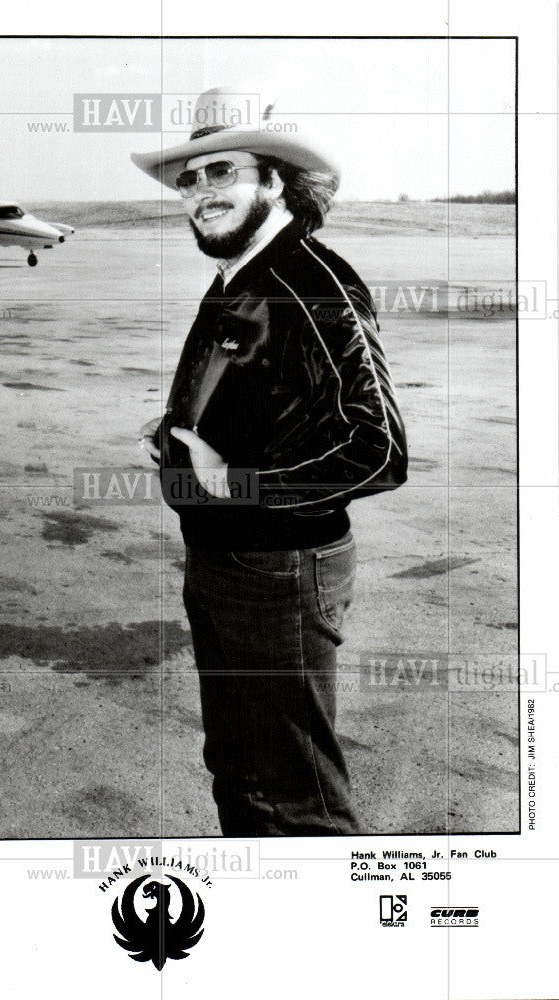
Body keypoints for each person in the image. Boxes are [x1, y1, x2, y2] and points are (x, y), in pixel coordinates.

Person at [132, 88, 408, 836]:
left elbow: (375, 448)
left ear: (275, 180)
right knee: (239, 769)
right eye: (187, 180)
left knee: (298, 794)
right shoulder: (240, 274)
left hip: (279, 570)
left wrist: (242, 485)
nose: (199, 193)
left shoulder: (310, 282)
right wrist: (177, 430)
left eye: (220, 171)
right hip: (221, 558)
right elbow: (254, 399)